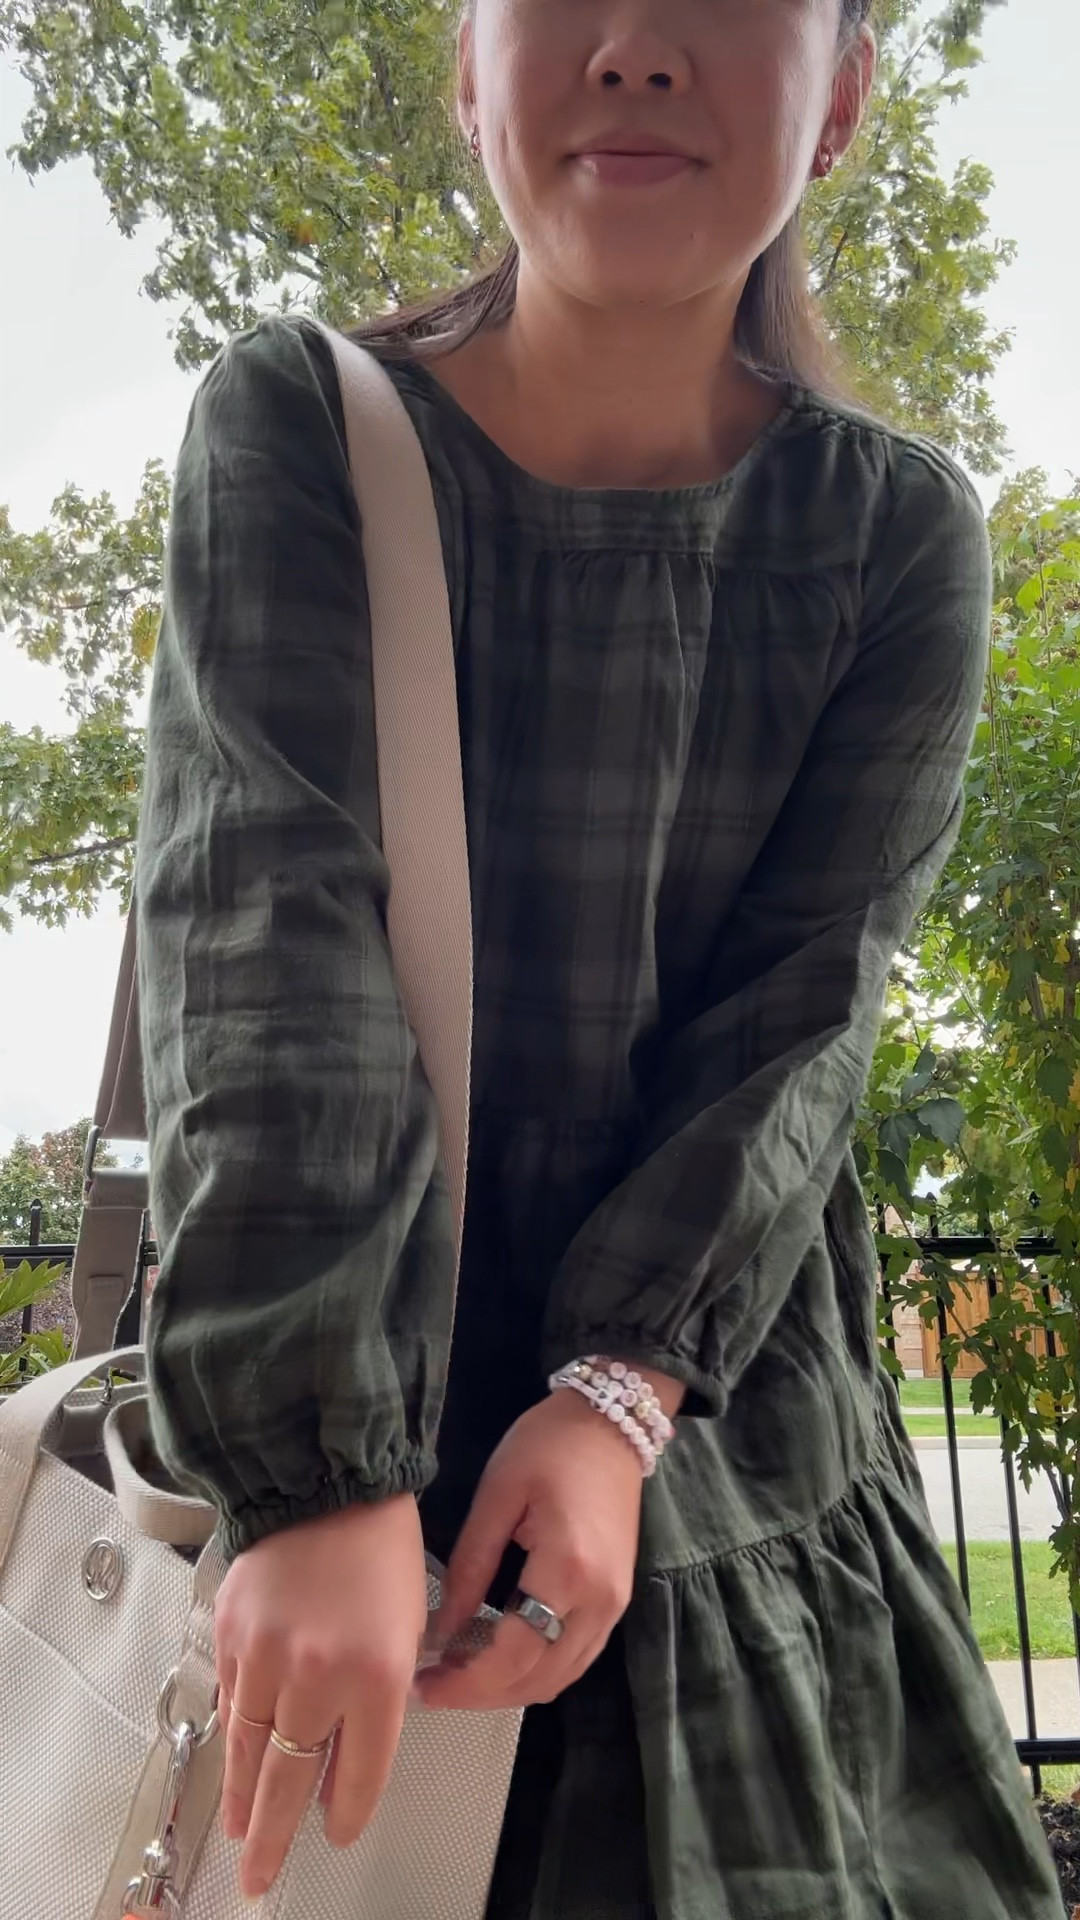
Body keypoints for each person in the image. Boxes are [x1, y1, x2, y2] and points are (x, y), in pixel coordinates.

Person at [135, 0, 1064, 1915]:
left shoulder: (899, 535)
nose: (638, 47)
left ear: (843, 97)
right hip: (348, 1465)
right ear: (471, 62)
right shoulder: (295, 426)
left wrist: (622, 1391)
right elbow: (264, 937)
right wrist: (321, 1471)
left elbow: (805, 1018)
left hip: (731, 1459)